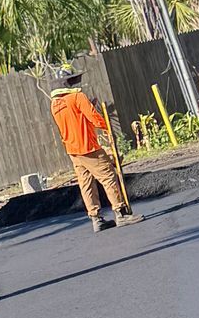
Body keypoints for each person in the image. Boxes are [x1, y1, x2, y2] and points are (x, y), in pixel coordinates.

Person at [49, 68, 139, 231]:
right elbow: (93, 116)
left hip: (72, 150)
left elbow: (74, 118)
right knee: (108, 176)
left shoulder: (55, 104)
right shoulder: (77, 97)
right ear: (68, 83)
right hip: (88, 147)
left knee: (86, 183)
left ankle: (96, 218)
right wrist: (107, 129)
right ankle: (121, 213)